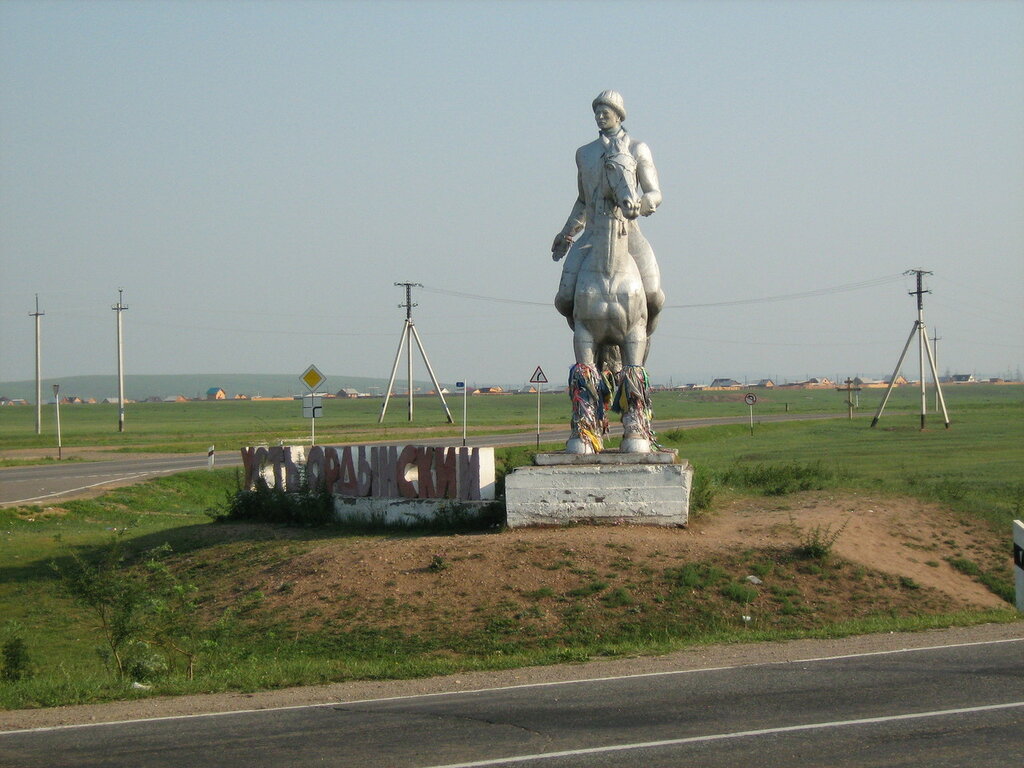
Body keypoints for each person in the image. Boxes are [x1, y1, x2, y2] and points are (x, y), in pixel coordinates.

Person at [552, 90, 665, 341]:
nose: (600, 117)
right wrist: (567, 233)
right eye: (597, 113)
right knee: (565, 296)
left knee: (654, 294)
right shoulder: (585, 153)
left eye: (606, 112)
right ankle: (586, 333)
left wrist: (642, 204)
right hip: (593, 234)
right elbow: (583, 200)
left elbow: (654, 192)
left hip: (628, 232)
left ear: (619, 116)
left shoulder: (637, 148)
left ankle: (642, 336)